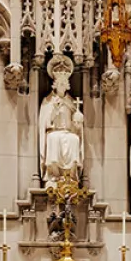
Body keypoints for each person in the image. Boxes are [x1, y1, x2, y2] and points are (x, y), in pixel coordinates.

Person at [38, 58, 84, 186]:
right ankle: (54, 175)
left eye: (65, 83)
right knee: (53, 139)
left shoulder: (72, 102)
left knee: (74, 140)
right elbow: (45, 124)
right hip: (54, 131)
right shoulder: (48, 101)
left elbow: (76, 122)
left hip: (68, 132)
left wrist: (78, 122)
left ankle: (71, 176)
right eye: (60, 83)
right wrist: (54, 111)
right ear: (55, 84)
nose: (63, 86)